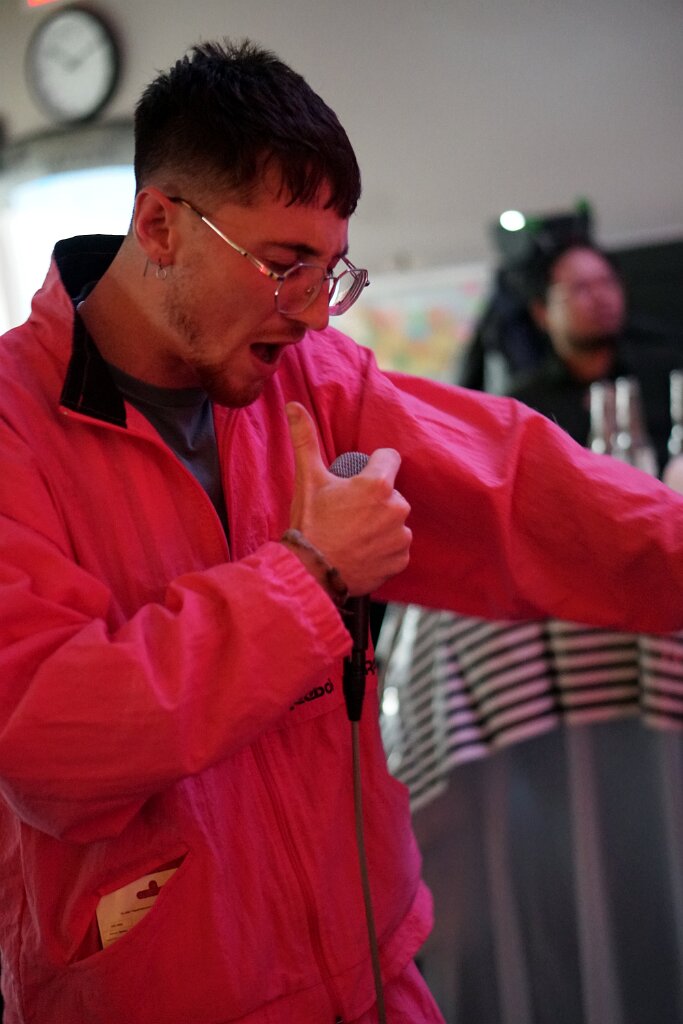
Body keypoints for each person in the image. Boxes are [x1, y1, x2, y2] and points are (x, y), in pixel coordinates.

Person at [2, 39, 683, 1024]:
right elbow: (51, 738)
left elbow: (523, 491)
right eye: (286, 267)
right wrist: (309, 576)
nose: (316, 316)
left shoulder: (308, 380)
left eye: (332, 273)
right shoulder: (14, 428)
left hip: (371, 971)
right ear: (159, 224)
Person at [507, 241, 682, 472]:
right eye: (581, 288)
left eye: (608, 282)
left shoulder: (667, 373)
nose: (601, 297)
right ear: (542, 312)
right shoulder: (526, 404)